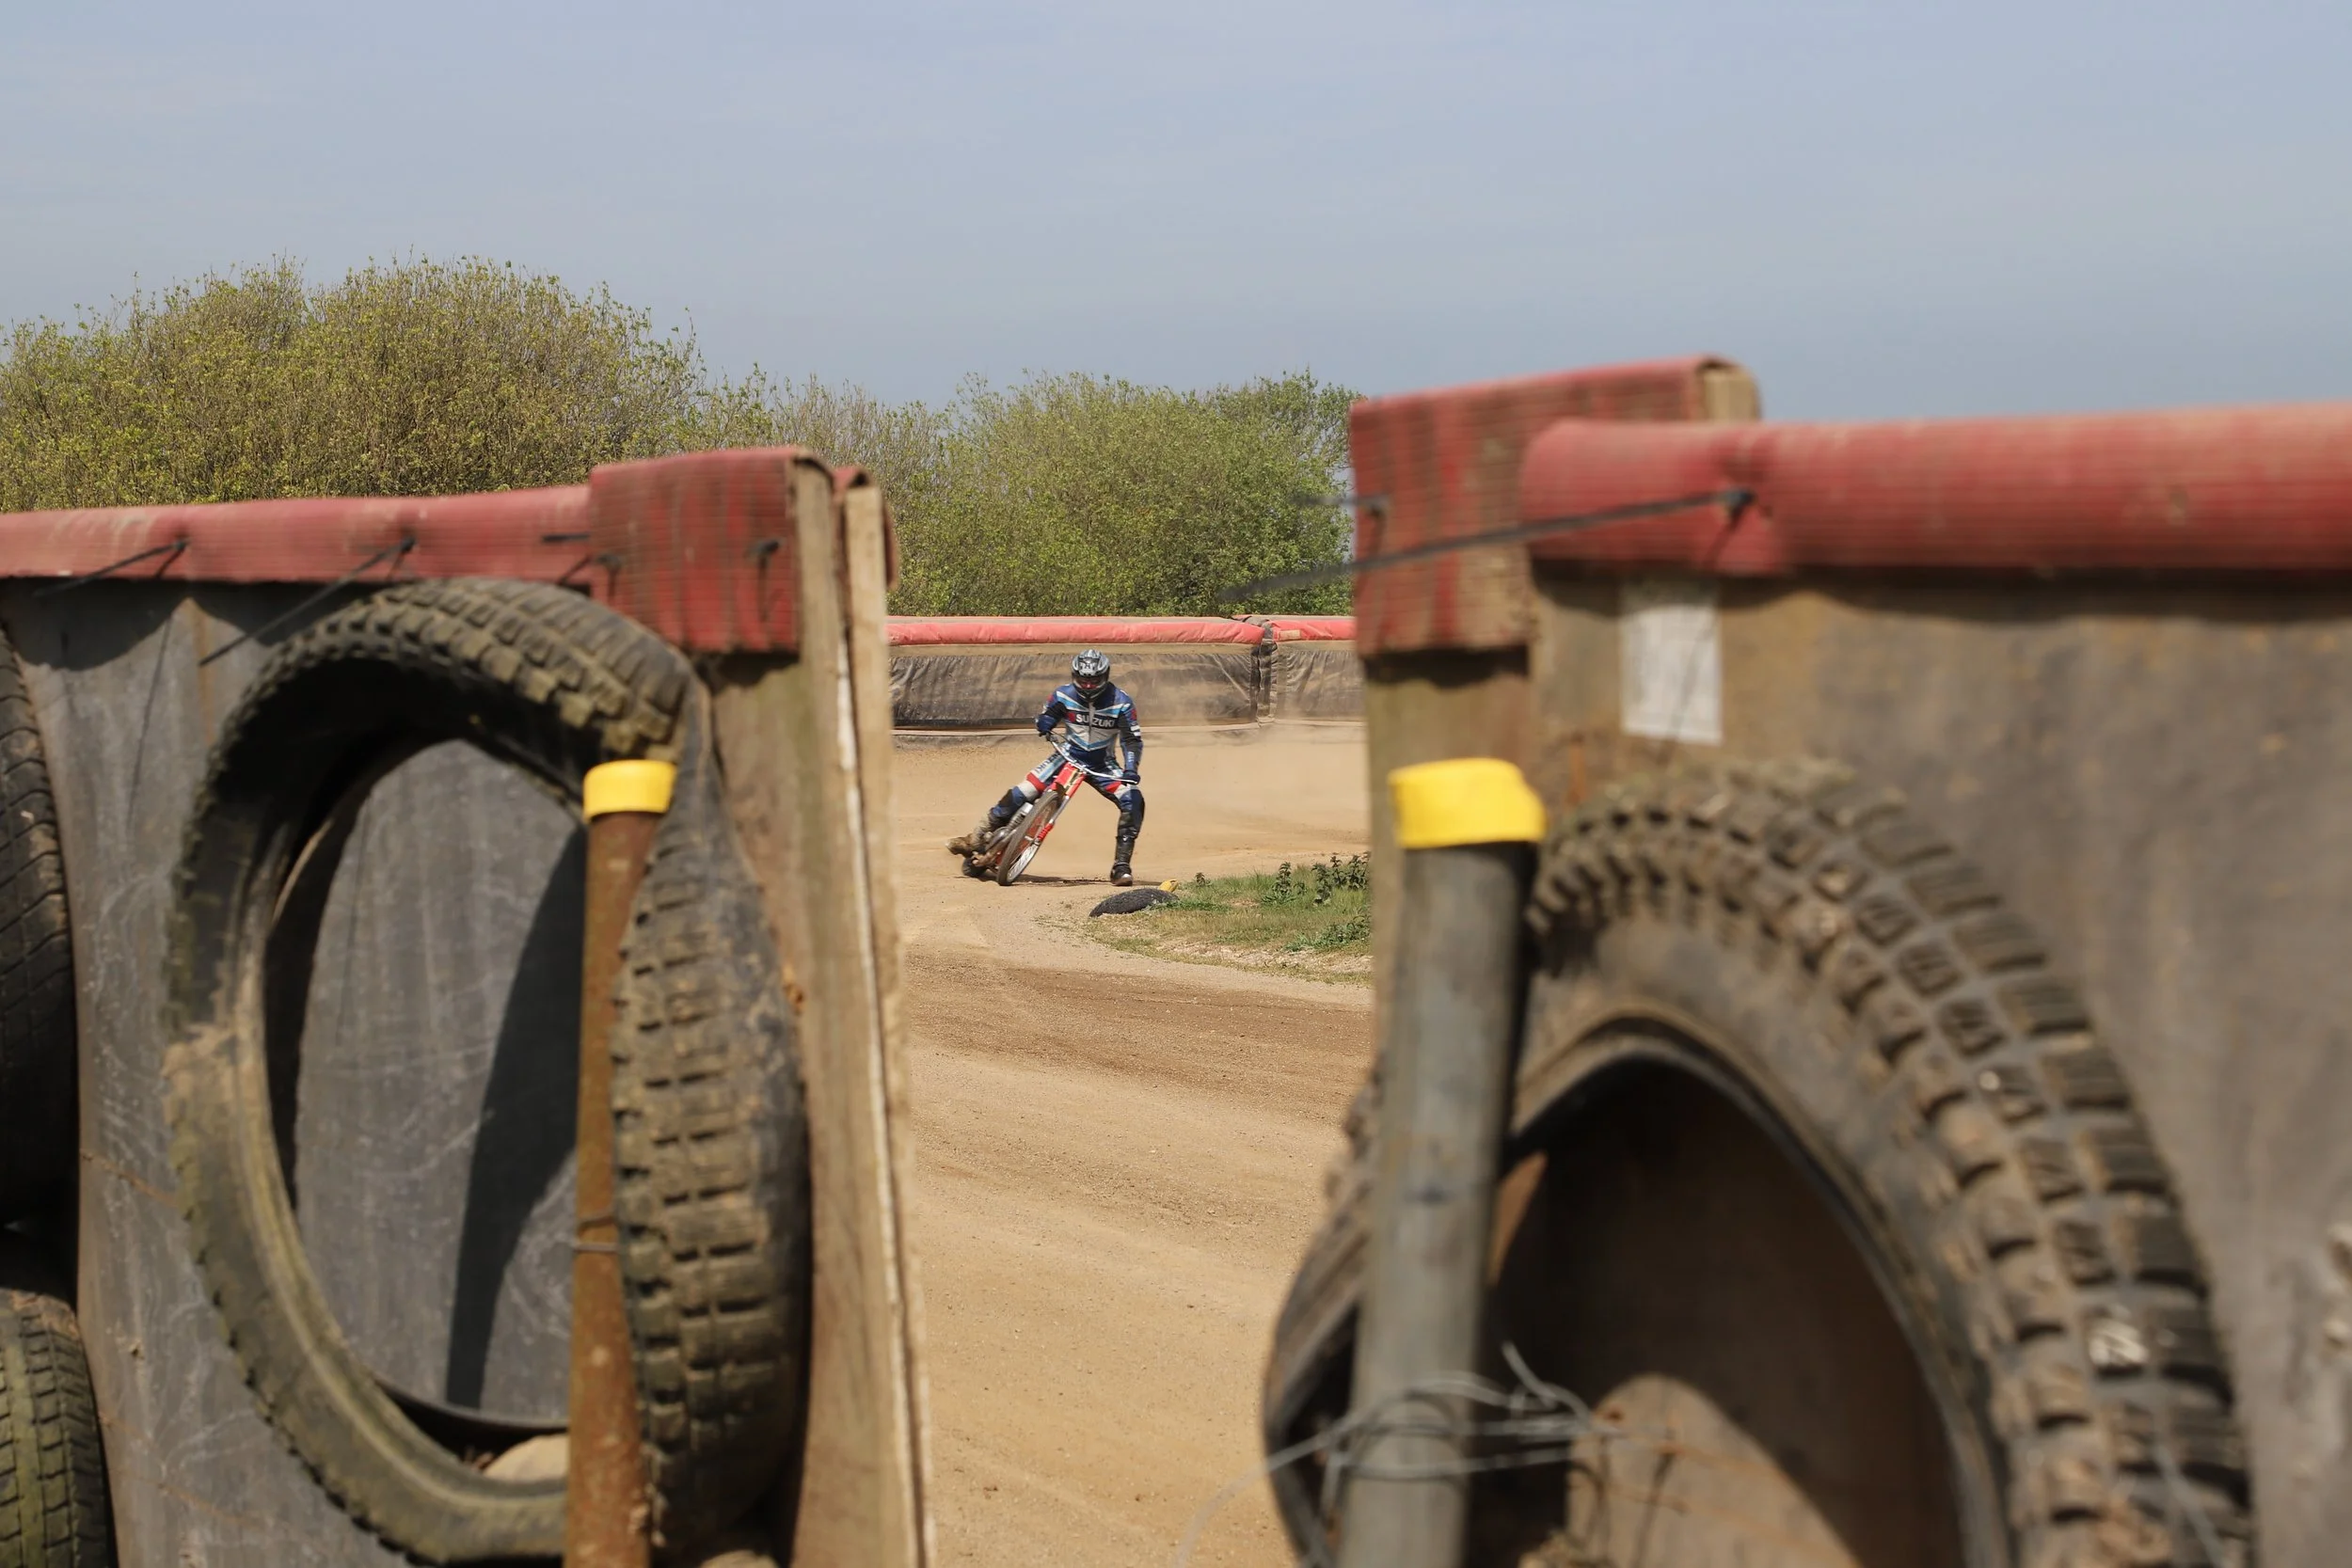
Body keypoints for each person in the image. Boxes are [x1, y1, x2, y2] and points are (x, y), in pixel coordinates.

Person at [948, 648, 1145, 884]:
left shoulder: (1121, 702)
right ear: (1074, 675)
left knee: (1133, 800)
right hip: (1066, 755)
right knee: (1022, 792)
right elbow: (1047, 716)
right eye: (1083, 680)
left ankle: (1121, 866)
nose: (1089, 686)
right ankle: (976, 839)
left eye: (1094, 680)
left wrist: (1131, 769)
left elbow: (1131, 740)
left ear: (1106, 676)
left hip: (1102, 765)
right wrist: (1044, 724)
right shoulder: (1063, 695)